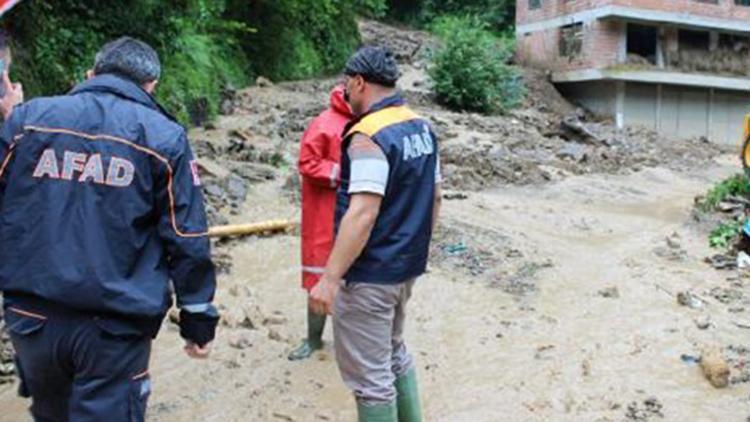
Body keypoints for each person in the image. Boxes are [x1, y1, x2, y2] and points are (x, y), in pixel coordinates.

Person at [0, 36, 218, 421]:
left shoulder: (25, 121)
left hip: (32, 320)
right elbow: (186, 236)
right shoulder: (164, 138)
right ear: (151, 86)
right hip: (114, 327)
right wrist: (197, 319)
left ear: (91, 74)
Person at [310, 46, 442, 422]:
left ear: (358, 82)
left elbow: (363, 213)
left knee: (370, 379)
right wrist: (412, 252)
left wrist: (330, 279)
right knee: (395, 353)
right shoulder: (421, 126)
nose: (345, 95)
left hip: (370, 276)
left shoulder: (367, 134)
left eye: (346, 87)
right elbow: (435, 198)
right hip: (405, 269)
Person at [289, 85, 353, 361]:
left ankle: (352, 342)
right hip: (324, 215)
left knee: (357, 280)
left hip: (357, 215)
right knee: (318, 277)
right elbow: (306, 163)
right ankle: (314, 339)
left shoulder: (368, 122)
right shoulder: (324, 123)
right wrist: (344, 173)